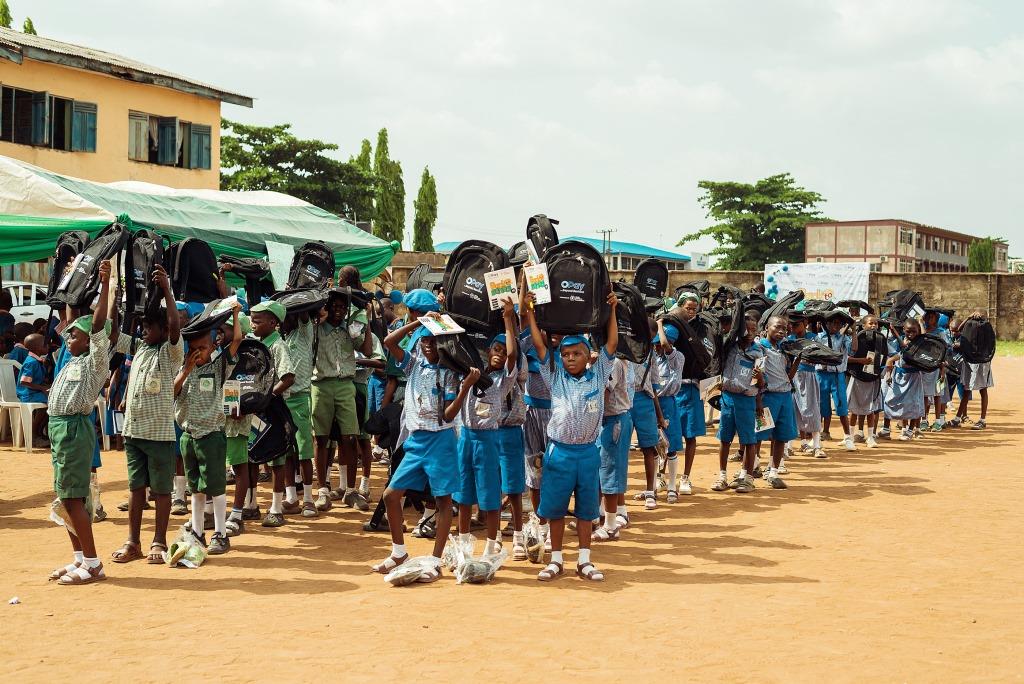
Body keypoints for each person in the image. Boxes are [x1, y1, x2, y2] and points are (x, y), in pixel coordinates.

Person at [372, 315, 478, 583]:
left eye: (433, 341)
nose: (428, 346)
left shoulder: (451, 374)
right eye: (424, 341)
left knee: (442, 501)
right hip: (416, 441)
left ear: (443, 346)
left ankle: (435, 559)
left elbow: (448, 416)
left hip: (440, 440)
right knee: (391, 496)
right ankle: (399, 552)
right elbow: (388, 341)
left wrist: (465, 388)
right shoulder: (413, 366)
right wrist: (418, 325)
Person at [525, 285, 618, 583]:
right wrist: (528, 311)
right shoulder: (554, 376)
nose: (570, 358)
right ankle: (555, 560)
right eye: (565, 354)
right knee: (554, 508)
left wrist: (612, 309)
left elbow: (612, 344)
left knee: (587, 510)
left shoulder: (599, 374)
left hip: (588, 453)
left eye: (576, 353)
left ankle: (584, 561)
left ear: (588, 356)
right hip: (559, 453)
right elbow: (540, 345)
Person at [46, 260, 113, 585]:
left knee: (74, 498)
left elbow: (97, 324)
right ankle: (78, 559)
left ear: (90, 341)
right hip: (60, 429)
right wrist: (73, 273)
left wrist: (106, 282)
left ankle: (93, 563)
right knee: (65, 497)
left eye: (76, 335)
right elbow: (71, 317)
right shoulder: (72, 356)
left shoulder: (94, 361)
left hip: (74, 430)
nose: (69, 336)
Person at [111, 265, 181, 564]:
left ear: (163, 331)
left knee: (161, 490)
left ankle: (159, 541)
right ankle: (132, 541)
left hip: (158, 434)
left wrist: (166, 289)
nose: (144, 331)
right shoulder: (139, 348)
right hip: (133, 432)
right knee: (135, 488)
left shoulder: (170, 351)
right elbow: (115, 334)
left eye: (149, 328)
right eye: (142, 328)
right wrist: (113, 296)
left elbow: (175, 326)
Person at [174, 300, 243, 554]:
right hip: (189, 436)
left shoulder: (219, 366)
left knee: (215, 487)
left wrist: (235, 315)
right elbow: (173, 391)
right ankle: (198, 532)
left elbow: (236, 340)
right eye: (193, 349)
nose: (197, 353)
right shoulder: (185, 368)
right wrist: (187, 368)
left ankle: (221, 534)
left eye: (202, 348)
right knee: (196, 488)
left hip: (211, 435)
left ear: (213, 346)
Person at [454, 299, 518, 558]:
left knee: (490, 493)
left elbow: (514, 355)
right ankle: (463, 543)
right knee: (464, 493)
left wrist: (508, 318)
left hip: (487, 440)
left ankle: (492, 545)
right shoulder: (473, 371)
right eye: (496, 348)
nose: (499, 353)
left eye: (503, 351)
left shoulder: (504, 379)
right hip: (465, 438)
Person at [312, 287, 373, 512]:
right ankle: (323, 491)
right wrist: (318, 319)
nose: (338, 311)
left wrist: (367, 320)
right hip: (321, 385)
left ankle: (349, 491)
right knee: (321, 438)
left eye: (342, 307)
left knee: (350, 437)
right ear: (327, 307)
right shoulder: (317, 329)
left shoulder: (351, 330)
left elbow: (367, 351)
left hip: (346, 385)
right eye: (334, 306)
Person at [250, 300, 297, 527]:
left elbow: (288, 377)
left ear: (273, 323)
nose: (253, 324)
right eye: (251, 320)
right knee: (252, 454)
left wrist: (268, 397)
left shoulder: (278, 346)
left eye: (258, 321)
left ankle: (276, 508)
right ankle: (251, 504)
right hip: (255, 408)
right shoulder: (253, 344)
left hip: (274, 409)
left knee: (277, 458)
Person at [713, 315, 764, 493]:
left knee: (749, 440)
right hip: (727, 398)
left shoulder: (758, 352)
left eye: (753, 329)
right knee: (724, 438)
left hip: (747, 399)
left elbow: (760, 383)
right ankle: (722, 476)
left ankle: (747, 477)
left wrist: (760, 379)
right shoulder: (729, 347)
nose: (750, 333)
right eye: (746, 329)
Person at [756, 316, 801, 489]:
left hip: (784, 396)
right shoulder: (760, 348)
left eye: (784, 329)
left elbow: (788, 376)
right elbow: (757, 374)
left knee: (781, 435)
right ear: (767, 328)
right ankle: (753, 467)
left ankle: (773, 471)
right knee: (759, 434)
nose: (781, 331)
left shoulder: (785, 349)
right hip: (767, 396)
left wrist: (797, 359)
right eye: (777, 327)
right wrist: (758, 399)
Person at [220, 313, 253, 537]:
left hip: (236, 419)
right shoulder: (219, 352)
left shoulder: (248, 356)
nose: (221, 331)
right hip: (220, 420)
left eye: (226, 328)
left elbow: (247, 384)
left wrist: (234, 407)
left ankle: (237, 514)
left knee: (239, 466)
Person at [593, 354, 632, 541]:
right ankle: (601, 516)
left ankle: (610, 526)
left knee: (609, 470)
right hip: (609, 420)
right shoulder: (610, 361)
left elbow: (605, 393)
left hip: (612, 419)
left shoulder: (614, 363)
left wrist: (592, 419)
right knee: (603, 469)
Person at [653, 321, 684, 506]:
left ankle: (672, 486)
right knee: (654, 446)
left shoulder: (676, 357)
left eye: (659, 343)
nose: (657, 346)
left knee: (670, 447)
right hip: (652, 403)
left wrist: (659, 324)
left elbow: (665, 345)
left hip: (668, 403)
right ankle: (654, 486)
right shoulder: (652, 357)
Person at [787, 314, 825, 459]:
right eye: (791, 324)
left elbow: (819, 355)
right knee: (792, 409)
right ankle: (789, 446)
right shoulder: (788, 339)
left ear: (805, 323)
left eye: (797, 324)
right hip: (791, 377)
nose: (793, 327)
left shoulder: (814, 338)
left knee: (812, 409)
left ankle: (817, 446)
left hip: (809, 376)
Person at [883, 318, 927, 440]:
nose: (911, 334)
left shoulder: (921, 343)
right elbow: (901, 351)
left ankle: (910, 431)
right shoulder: (903, 339)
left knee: (913, 404)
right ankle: (886, 429)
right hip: (899, 375)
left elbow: (905, 351)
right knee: (889, 400)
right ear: (904, 330)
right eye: (908, 331)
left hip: (913, 377)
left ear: (918, 331)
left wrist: (921, 323)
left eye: (914, 331)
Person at [817, 313, 855, 451]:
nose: (836, 326)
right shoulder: (818, 338)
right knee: (822, 405)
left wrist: (854, 330)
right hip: (821, 374)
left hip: (837, 375)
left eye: (839, 324)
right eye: (832, 323)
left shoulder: (844, 338)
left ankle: (848, 437)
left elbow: (853, 350)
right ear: (826, 324)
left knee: (841, 404)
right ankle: (822, 433)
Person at [846, 315, 884, 448]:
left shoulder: (881, 339)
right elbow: (850, 355)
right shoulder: (858, 338)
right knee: (854, 409)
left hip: (872, 378)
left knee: (871, 409)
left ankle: (870, 437)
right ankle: (849, 437)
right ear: (863, 325)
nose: (873, 326)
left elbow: (887, 355)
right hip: (858, 377)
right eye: (870, 323)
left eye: (875, 323)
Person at [16, 332, 51, 445]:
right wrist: (42, 388)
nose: (48, 346)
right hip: (27, 394)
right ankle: (33, 433)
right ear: (37, 348)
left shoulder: (37, 360)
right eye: (45, 344)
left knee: (50, 402)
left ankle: (40, 432)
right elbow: (24, 382)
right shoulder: (31, 362)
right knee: (46, 403)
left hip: (33, 392)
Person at [961, 312, 994, 431]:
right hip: (970, 362)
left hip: (982, 363)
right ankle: (958, 416)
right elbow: (960, 330)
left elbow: (991, 343)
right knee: (966, 389)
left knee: (983, 389)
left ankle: (982, 420)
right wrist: (968, 317)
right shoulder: (969, 327)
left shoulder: (986, 328)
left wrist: (983, 319)